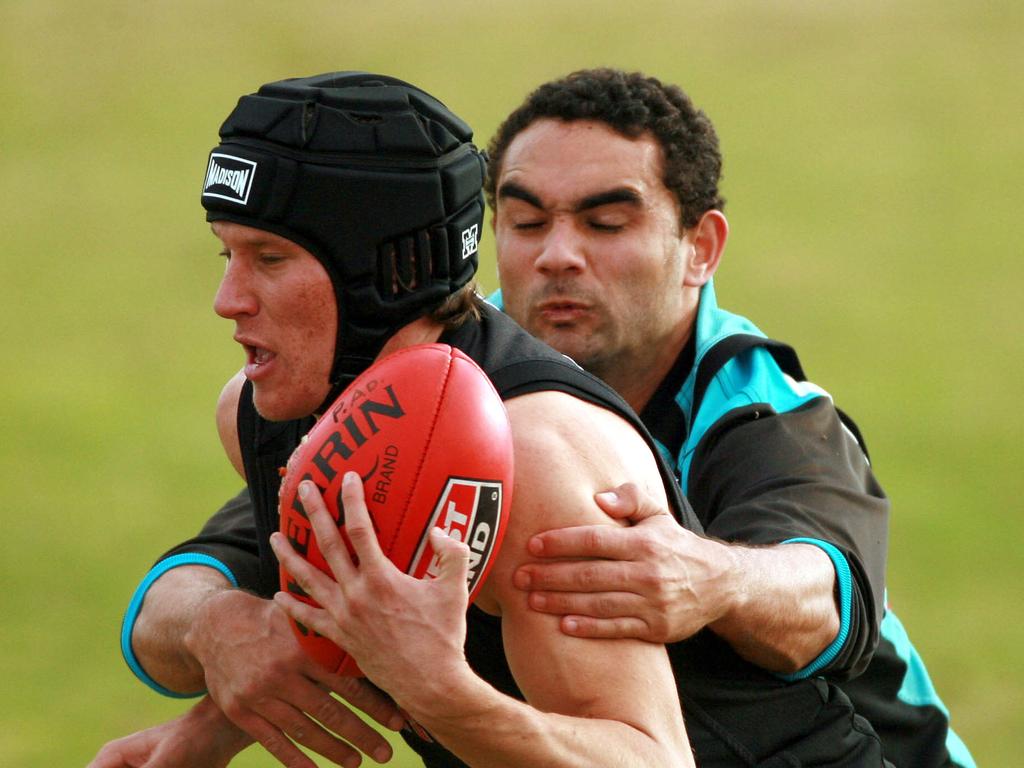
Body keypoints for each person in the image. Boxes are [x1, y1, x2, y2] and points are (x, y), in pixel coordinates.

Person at [90, 71, 698, 768]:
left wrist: (438, 688)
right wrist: (206, 721)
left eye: (271, 259)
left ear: (382, 275)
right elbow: (332, 616)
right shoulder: (264, 412)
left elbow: (655, 759)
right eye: (227, 253)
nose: (229, 299)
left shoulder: (536, 456)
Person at [486, 68, 975, 768]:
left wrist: (713, 579)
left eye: (607, 223)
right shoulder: (448, 371)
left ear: (701, 249)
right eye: (526, 222)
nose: (557, 255)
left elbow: (826, 601)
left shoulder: (759, 407)